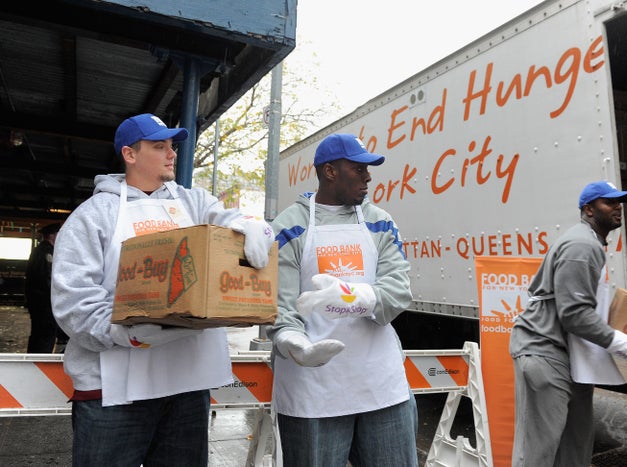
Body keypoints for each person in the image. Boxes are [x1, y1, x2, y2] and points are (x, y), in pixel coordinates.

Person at [50, 113, 275, 466]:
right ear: (130, 154)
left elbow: (226, 220)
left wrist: (250, 227)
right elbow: (72, 300)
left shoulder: (194, 203)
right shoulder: (93, 215)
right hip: (112, 392)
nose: (172, 153)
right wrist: (127, 333)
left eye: (172, 146)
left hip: (187, 386)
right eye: (159, 146)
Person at [267, 133, 418, 466]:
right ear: (330, 171)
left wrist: (353, 296)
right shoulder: (289, 226)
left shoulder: (381, 222)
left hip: (381, 386)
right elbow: (280, 305)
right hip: (313, 390)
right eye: (359, 168)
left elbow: (398, 289)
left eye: (368, 169)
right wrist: (294, 342)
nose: (368, 177)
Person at [508, 180, 627, 467]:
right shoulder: (581, 245)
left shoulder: (592, 243)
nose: (618, 207)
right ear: (589, 209)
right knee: (539, 451)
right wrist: (623, 343)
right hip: (546, 351)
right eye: (609, 202)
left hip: (569, 354)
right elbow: (575, 313)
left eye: (620, 202)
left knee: (576, 443)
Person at [25, 222, 65, 353]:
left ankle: (34, 359)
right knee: (45, 334)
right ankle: (40, 362)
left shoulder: (39, 250)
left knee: (39, 333)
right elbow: (47, 279)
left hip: (38, 300)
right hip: (44, 301)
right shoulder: (47, 252)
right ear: (53, 236)